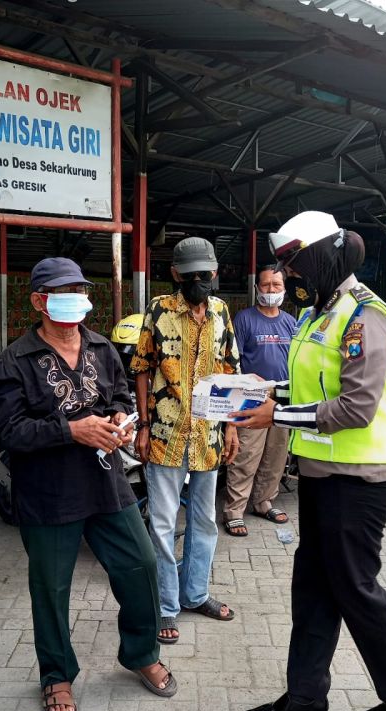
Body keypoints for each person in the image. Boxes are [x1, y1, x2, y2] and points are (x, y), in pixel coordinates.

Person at [231, 211, 386, 711]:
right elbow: (310, 388)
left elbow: (356, 407)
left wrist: (277, 415)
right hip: (323, 472)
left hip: (362, 476)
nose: (289, 275)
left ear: (323, 256)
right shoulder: (315, 314)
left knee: (354, 587)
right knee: (314, 587)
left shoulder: (366, 316)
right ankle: (306, 696)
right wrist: (261, 393)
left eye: (295, 263)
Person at [0, 258, 176, 711]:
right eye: (63, 291)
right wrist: (71, 430)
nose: (76, 298)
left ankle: (141, 652)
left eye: (80, 290)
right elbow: (8, 431)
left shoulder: (102, 347)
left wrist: (121, 419)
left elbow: (121, 395)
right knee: (51, 588)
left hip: (105, 483)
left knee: (141, 564)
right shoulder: (15, 361)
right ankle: (57, 675)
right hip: (48, 494)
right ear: (39, 301)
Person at [129, 236, 241, 646]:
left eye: (206, 275)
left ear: (215, 273)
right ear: (176, 274)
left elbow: (230, 370)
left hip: (208, 435)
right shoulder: (158, 310)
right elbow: (142, 368)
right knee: (161, 524)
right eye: (191, 276)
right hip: (165, 434)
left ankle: (196, 594)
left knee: (205, 521)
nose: (199, 282)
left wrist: (232, 426)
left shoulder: (221, 311)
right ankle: (165, 605)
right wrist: (143, 425)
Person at [222, 266, 297, 537]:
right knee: (247, 455)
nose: (271, 290)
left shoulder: (291, 322)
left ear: (284, 289)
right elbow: (232, 360)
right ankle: (234, 511)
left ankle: (264, 502)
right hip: (252, 396)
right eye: (266, 285)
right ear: (257, 288)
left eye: (277, 285)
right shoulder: (244, 319)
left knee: (276, 455)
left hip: (283, 397)